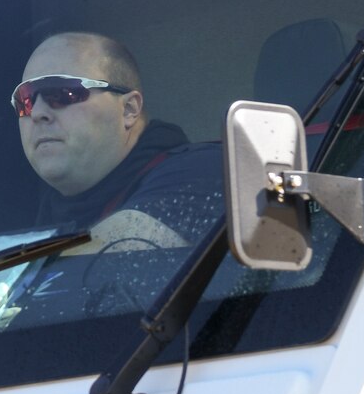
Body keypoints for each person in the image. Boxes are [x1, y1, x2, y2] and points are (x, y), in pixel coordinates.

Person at [12, 31, 218, 249]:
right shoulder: (39, 216)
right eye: (25, 101)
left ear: (129, 109)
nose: (37, 113)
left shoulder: (202, 171)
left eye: (62, 93)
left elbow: (103, 267)